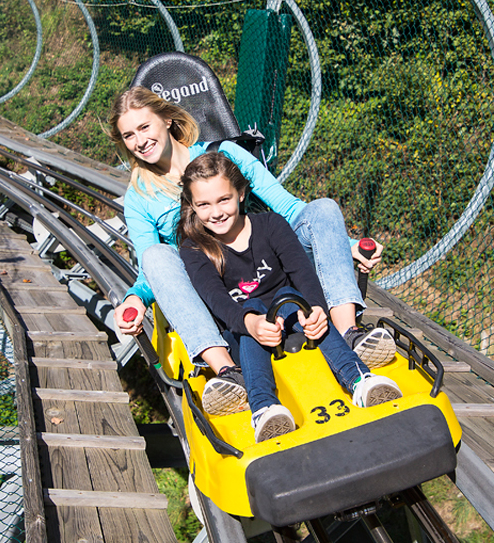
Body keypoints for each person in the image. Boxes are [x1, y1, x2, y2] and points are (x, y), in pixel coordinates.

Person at [109, 85, 395, 416]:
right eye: (128, 135)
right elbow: (151, 268)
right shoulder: (141, 195)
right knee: (157, 255)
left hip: (262, 262)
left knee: (323, 208)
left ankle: (347, 331)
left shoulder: (225, 154)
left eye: (144, 127)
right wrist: (135, 297)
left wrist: (344, 246)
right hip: (211, 282)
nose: (139, 141)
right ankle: (227, 371)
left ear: (168, 119)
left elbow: (289, 209)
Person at [177, 152, 402, 441]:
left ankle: (359, 380)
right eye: (204, 205)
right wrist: (252, 323)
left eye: (224, 200)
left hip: (291, 318)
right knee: (253, 307)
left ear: (241, 194)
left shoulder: (271, 225)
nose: (216, 212)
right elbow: (217, 301)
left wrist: (317, 309)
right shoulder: (195, 250)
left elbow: (302, 271)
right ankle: (264, 408)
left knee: (290, 295)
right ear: (193, 207)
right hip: (244, 334)